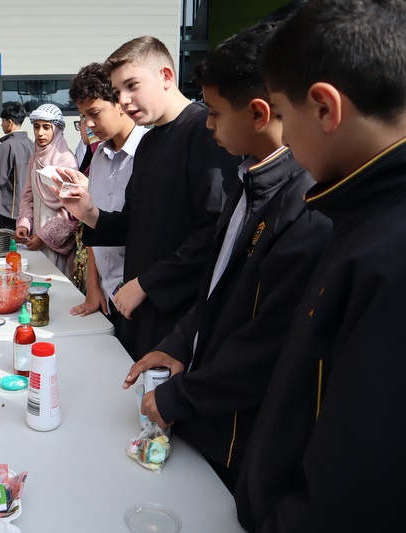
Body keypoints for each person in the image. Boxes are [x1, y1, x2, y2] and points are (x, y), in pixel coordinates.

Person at [121, 19, 332, 492]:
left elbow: (268, 343)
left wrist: (182, 398)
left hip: (244, 436)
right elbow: (216, 291)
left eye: (214, 113)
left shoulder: (306, 209)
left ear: (260, 113)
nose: (208, 123)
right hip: (211, 413)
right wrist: (178, 344)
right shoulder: (248, 180)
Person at [234, 1, 406, 530]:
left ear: (326, 108)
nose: (282, 139)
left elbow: (361, 477)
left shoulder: (388, 249)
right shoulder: (362, 212)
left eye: (284, 115)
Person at [58, 36, 240, 358]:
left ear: (166, 76)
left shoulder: (203, 131)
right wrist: (89, 213)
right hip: (138, 304)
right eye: (118, 93)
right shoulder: (149, 142)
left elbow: (216, 232)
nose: (125, 100)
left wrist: (146, 284)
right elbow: (134, 223)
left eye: (132, 85)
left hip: (179, 313)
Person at [67, 62, 146, 342]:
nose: (88, 124)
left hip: (140, 294)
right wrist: (93, 285)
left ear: (120, 103)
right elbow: (95, 223)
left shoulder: (150, 153)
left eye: (95, 114)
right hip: (106, 290)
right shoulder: (98, 154)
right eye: (83, 116)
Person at [15, 103, 79, 277]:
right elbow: (28, 195)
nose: (40, 133)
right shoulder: (35, 159)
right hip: (35, 234)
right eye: (36, 127)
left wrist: (44, 236)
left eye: (46, 127)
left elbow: (72, 210)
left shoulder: (68, 161)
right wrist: (24, 224)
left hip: (57, 240)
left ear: (57, 130)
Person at [0, 102, 34, 230]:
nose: (1, 125)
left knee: (10, 247)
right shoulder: (32, 144)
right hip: (29, 211)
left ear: (9, 122)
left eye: (2, 121)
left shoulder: (7, 146)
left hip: (10, 211)